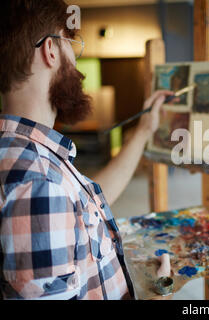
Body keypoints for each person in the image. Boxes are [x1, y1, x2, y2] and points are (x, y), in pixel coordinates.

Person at [0, 0, 173, 299]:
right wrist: (155, 295)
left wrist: (144, 129)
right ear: (51, 50)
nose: (76, 62)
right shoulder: (38, 180)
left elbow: (83, 204)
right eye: (72, 45)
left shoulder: (27, 152)